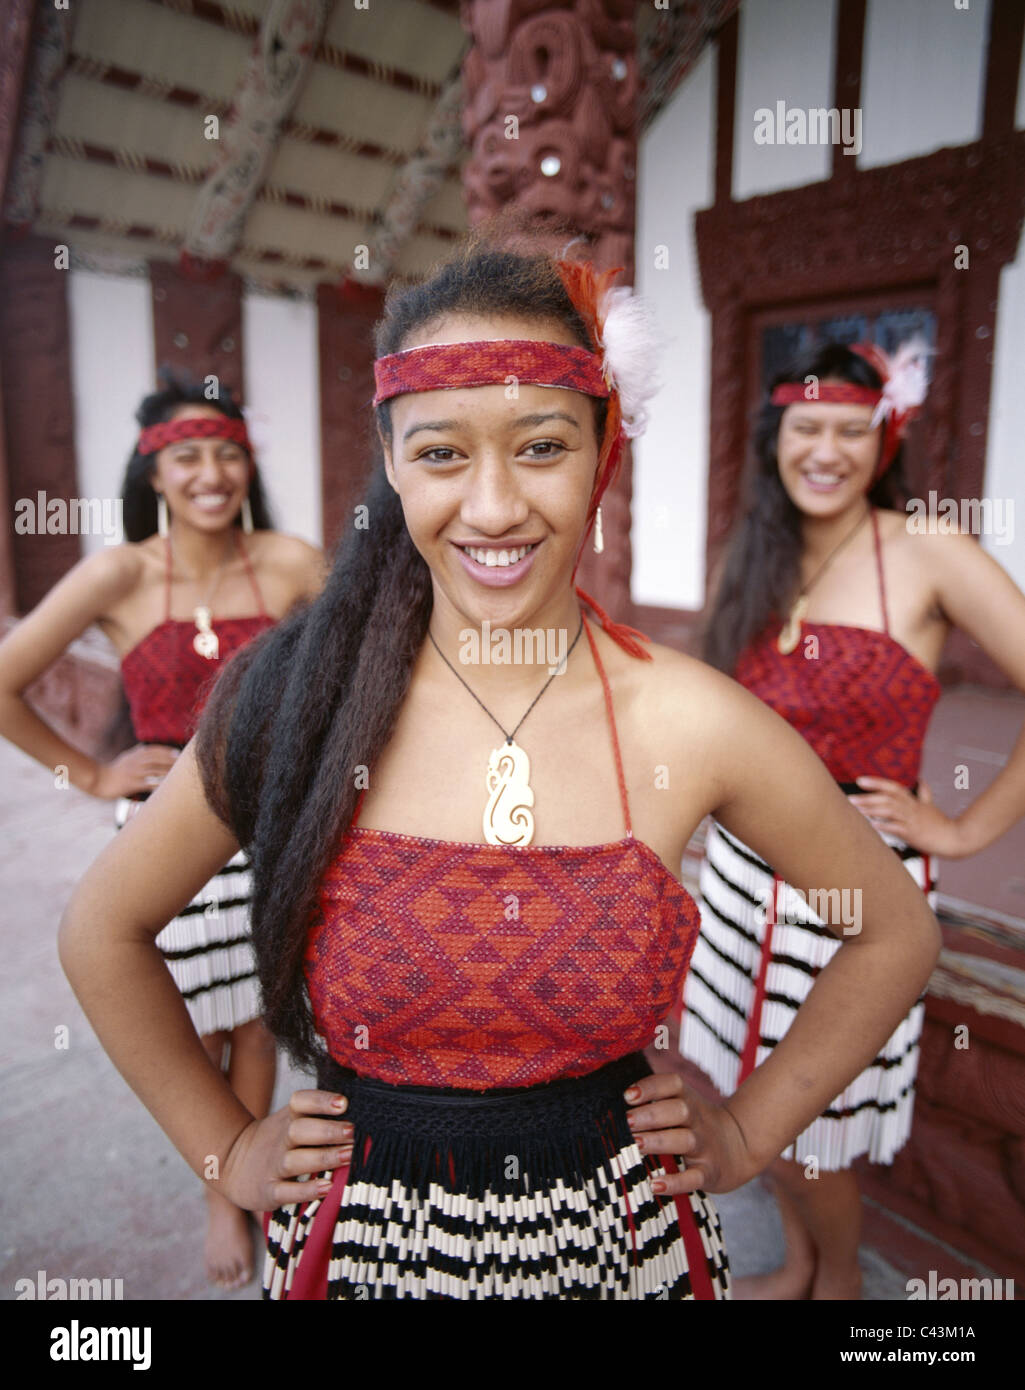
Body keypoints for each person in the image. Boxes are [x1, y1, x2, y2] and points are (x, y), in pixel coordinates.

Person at [58, 238, 940, 1301]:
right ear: (389, 461)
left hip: (620, 1240)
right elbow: (101, 931)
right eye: (440, 455)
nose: (490, 508)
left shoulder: (690, 720)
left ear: (602, 449)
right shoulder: (297, 697)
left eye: (539, 446)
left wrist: (749, 1129)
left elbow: (892, 927)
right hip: (364, 1246)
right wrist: (227, 1151)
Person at [679, 340, 1025, 1299]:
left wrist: (957, 831)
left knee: (806, 1128)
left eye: (850, 430)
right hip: (741, 882)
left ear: (886, 439)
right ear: (773, 439)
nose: (824, 450)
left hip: (853, 902)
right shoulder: (751, 558)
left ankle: (839, 1294)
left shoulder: (927, 552)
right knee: (753, 1103)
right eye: (805, 428)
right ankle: (798, 1269)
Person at [0, 372, 324, 1288]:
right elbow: (3, 681)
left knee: (261, 1021)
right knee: (200, 1025)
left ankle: (236, 1190)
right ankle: (223, 1183)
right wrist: (92, 774)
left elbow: (365, 658)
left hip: (275, 829)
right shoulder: (120, 572)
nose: (211, 471)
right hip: (164, 837)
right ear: (154, 472)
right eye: (187, 455)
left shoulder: (294, 562)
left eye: (227, 451)